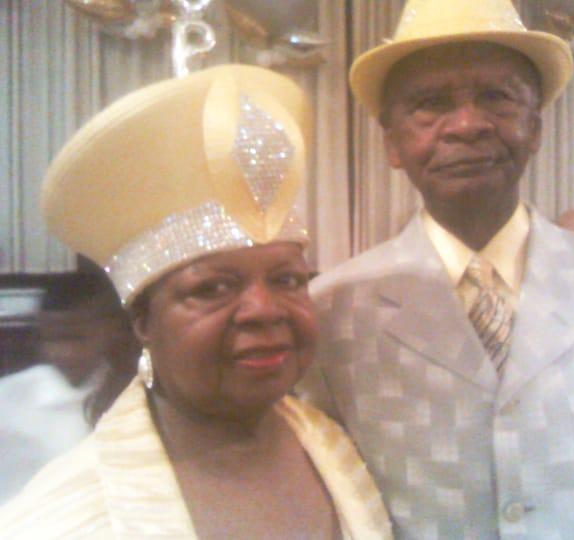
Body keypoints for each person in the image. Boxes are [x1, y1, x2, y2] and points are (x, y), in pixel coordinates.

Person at [297, 0, 574, 538]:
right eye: (430, 104)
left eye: (497, 98)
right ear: (391, 142)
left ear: (535, 127)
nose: (468, 125)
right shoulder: (330, 316)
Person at [0, 64, 391, 539]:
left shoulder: (330, 446)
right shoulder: (67, 520)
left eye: (287, 279)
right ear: (143, 321)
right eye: (213, 289)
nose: (265, 309)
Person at [0, 271, 137, 503]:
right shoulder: (9, 400)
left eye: (75, 338)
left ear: (108, 331)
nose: (63, 352)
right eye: (53, 339)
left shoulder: (129, 395)